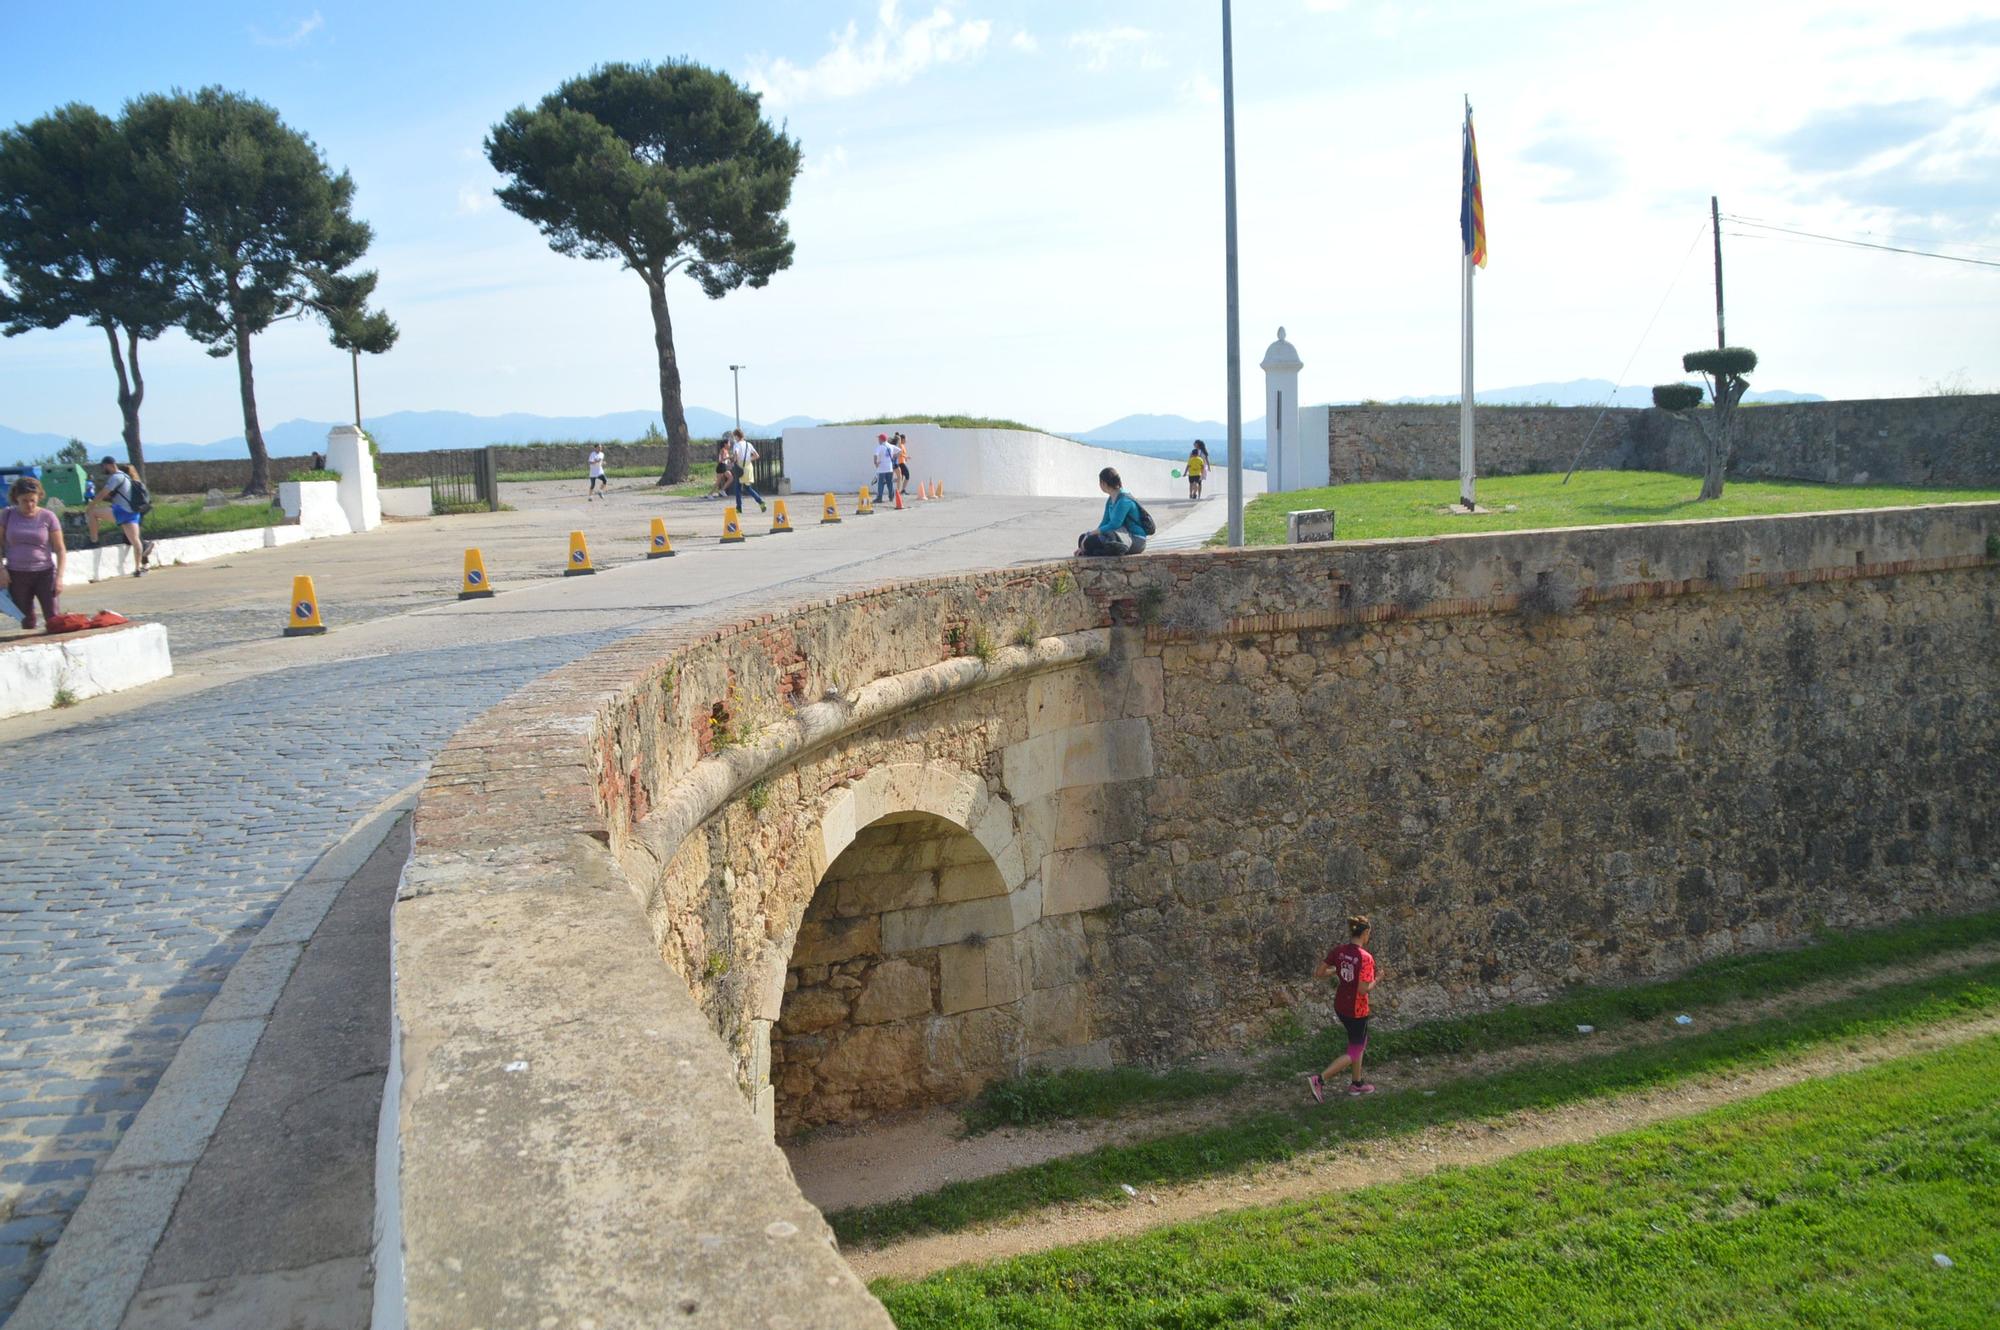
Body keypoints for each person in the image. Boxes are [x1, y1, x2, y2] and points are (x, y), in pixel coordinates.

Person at [1306, 915, 1379, 1101]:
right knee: (1355, 1049)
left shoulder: (1338, 951)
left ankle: (1357, 1083)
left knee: (1358, 1042)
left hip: (1341, 1005)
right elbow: (1363, 990)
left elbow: (1320, 972)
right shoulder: (1366, 958)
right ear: (1365, 933)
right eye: (1369, 933)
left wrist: (1337, 970)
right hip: (1357, 1009)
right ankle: (1319, 1080)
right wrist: (1378, 980)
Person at [3, 476, 66, 631]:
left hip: (45, 573)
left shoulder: (48, 517)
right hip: (17, 574)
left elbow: (60, 549)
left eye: (33, 500)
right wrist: (1, 569)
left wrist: (59, 578)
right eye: (24, 501)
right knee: (27, 619)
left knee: (53, 618)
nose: (29, 505)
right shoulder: (7, 515)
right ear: (16, 498)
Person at [86, 457, 150, 576]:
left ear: (109, 465)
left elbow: (103, 493)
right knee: (136, 541)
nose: (103, 469)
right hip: (132, 512)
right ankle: (138, 569)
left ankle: (94, 541)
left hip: (121, 511)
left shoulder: (115, 477)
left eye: (104, 466)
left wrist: (91, 505)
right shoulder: (126, 477)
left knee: (93, 513)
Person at [1074, 466, 1148, 557]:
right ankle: (1094, 550)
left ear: (1104, 483)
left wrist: (1091, 534)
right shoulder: (1111, 499)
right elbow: (1105, 522)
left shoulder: (1124, 500)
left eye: (1100, 482)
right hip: (1119, 535)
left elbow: (1114, 524)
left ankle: (1106, 549)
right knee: (1083, 538)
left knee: (1091, 541)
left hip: (1135, 540)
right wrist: (1089, 536)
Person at [728, 430, 766, 513]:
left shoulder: (737, 445)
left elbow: (736, 455)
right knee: (747, 488)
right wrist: (748, 459)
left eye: (734, 436)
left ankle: (739, 508)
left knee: (737, 488)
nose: (734, 438)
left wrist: (732, 461)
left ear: (737, 436)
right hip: (748, 467)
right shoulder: (748, 444)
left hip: (740, 468)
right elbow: (756, 456)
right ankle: (761, 502)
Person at [871, 433, 898, 504]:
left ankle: (879, 498)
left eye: (878, 439)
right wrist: (894, 456)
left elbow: (875, 455)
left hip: (882, 468)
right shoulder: (891, 446)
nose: (878, 440)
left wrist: (875, 463)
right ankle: (891, 497)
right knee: (890, 483)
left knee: (880, 484)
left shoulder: (880, 447)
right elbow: (899, 450)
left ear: (881, 439)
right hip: (889, 468)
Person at [895, 432, 912, 500]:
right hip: (900, 463)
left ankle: (900, 490)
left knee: (901, 478)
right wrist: (906, 457)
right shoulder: (900, 445)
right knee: (907, 475)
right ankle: (902, 490)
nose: (906, 440)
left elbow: (902, 454)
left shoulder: (903, 445)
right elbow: (900, 454)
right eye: (905, 439)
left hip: (902, 462)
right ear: (902, 439)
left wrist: (905, 458)